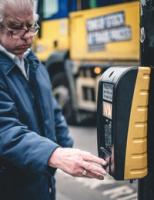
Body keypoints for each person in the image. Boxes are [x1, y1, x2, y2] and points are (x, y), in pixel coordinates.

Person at [0, 0, 107, 200]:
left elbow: (53, 109)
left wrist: (67, 149)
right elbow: (4, 129)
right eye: (15, 27)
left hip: (42, 182)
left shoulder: (34, 61)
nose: (27, 35)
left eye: (31, 26)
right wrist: (54, 155)